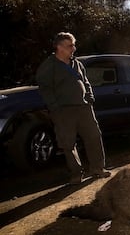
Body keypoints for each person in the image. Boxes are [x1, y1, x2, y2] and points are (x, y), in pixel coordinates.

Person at [36, 32, 110, 184]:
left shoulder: (77, 64)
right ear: (59, 47)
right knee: (68, 144)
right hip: (63, 111)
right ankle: (76, 174)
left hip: (84, 108)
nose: (74, 48)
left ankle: (98, 168)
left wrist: (89, 97)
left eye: (74, 45)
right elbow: (45, 89)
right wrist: (55, 107)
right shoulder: (49, 66)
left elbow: (86, 81)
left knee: (94, 136)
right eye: (70, 46)